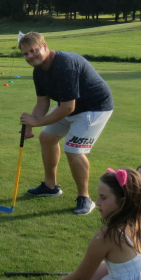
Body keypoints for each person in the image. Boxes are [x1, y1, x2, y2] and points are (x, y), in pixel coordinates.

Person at [18, 32, 113, 215]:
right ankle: (50, 186)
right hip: (72, 107)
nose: (30, 56)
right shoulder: (38, 71)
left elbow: (68, 107)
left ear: (44, 46)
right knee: (47, 138)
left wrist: (36, 122)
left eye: (33, 50)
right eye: (25, 54)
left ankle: (85, 198)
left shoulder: (64, 65)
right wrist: (31, 122)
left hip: (95, 107)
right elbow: (42, 103)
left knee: (73, 149)